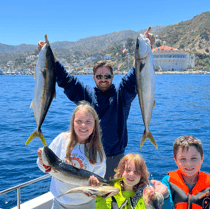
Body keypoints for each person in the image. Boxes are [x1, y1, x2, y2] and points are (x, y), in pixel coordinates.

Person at [37, 27, 154, 180]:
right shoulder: (85, 94)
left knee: (114, 200)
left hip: (116, 159)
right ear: (93, 77)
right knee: (92, 199)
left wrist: (145, 49)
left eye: (107, 76)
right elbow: (65, 80)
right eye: (99, 76)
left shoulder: (122, 94)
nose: (103, 79)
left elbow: (137, 74)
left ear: (112, 77)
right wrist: (50, 56)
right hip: (90, 157)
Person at [37, 101, 106, 209]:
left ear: (95, 125)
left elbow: (98, 185)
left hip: (86, 204)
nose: (83, 125)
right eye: (79, 121)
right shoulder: (62, 140)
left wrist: (93, 190)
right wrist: (41, 159)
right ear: (73, 122)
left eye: (88, 121)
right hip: (61, 201)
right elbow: (42, 166)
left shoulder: (98, 152)